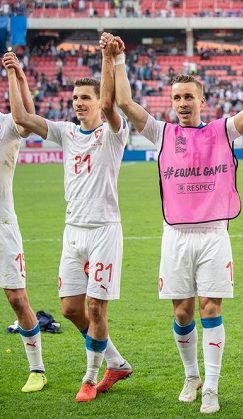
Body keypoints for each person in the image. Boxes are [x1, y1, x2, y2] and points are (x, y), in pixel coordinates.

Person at [105, 33, 243, 414]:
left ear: (202, 100)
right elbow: (124, 102)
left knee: (210, 309)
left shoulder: (221, 130)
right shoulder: (162, 133)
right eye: (177, 97)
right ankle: (191, 375)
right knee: (181, 312)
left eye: (189, 96)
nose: (183, 103)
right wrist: (118, 59)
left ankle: (212, 387)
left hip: (213, 234)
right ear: (171, 103)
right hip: (175, 234)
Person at [4, 42, 132, 403]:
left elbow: (110, 105)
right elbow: (23, 119)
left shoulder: (113, 132)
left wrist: (108, 59)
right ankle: (116, 362)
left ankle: (90, 377)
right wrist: (14, 73)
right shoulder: (67, 132)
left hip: (104, 230)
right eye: (76, 97)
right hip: (72, 231)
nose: (78, 103)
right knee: (70, 309)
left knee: (95, 307)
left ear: (96, 101)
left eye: (85, 98)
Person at [0, 54, 47, 393]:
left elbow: (27, 119)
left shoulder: (5, 125)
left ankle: (37, 370)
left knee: (17, 299)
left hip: (3, 226)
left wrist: (17, 75)